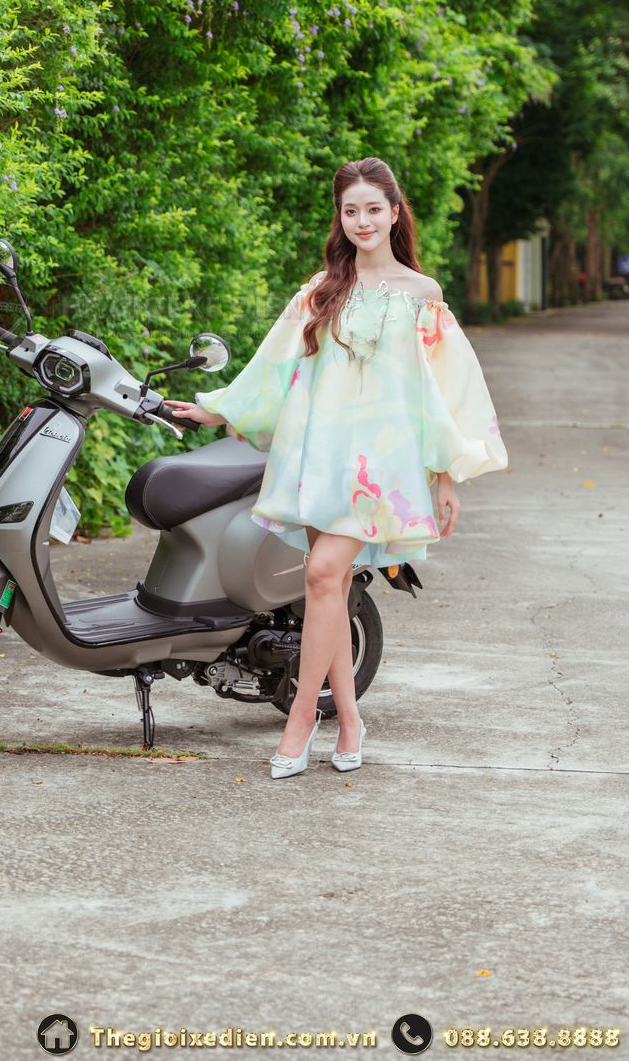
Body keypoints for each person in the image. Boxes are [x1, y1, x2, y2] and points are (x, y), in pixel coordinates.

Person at [164, 157, 508, 781]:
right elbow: (274, 365)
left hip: (383, 468)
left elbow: (444, 392)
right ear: (340, 217)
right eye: (351, 210)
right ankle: (349, 720)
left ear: (395, 213)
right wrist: (217, 410)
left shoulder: (423, 295)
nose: (362, 221)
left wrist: (444, 475)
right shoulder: (321, 290)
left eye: (374, 209)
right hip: (319, 458)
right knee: (332, 587)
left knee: (322, 573)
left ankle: (301, 718)